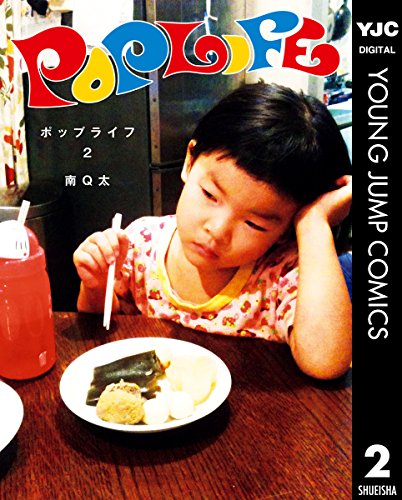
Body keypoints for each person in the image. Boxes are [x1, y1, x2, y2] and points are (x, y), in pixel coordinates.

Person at [73, 82, 352, 380]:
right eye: (209, 194)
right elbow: (105, 329)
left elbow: (326, 363)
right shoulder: (141, 242)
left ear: (286, 227)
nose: (217, 231)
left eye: (254, 224)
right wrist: (96, 286)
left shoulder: (283, 273)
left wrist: (313, 223)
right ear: (190, 161)